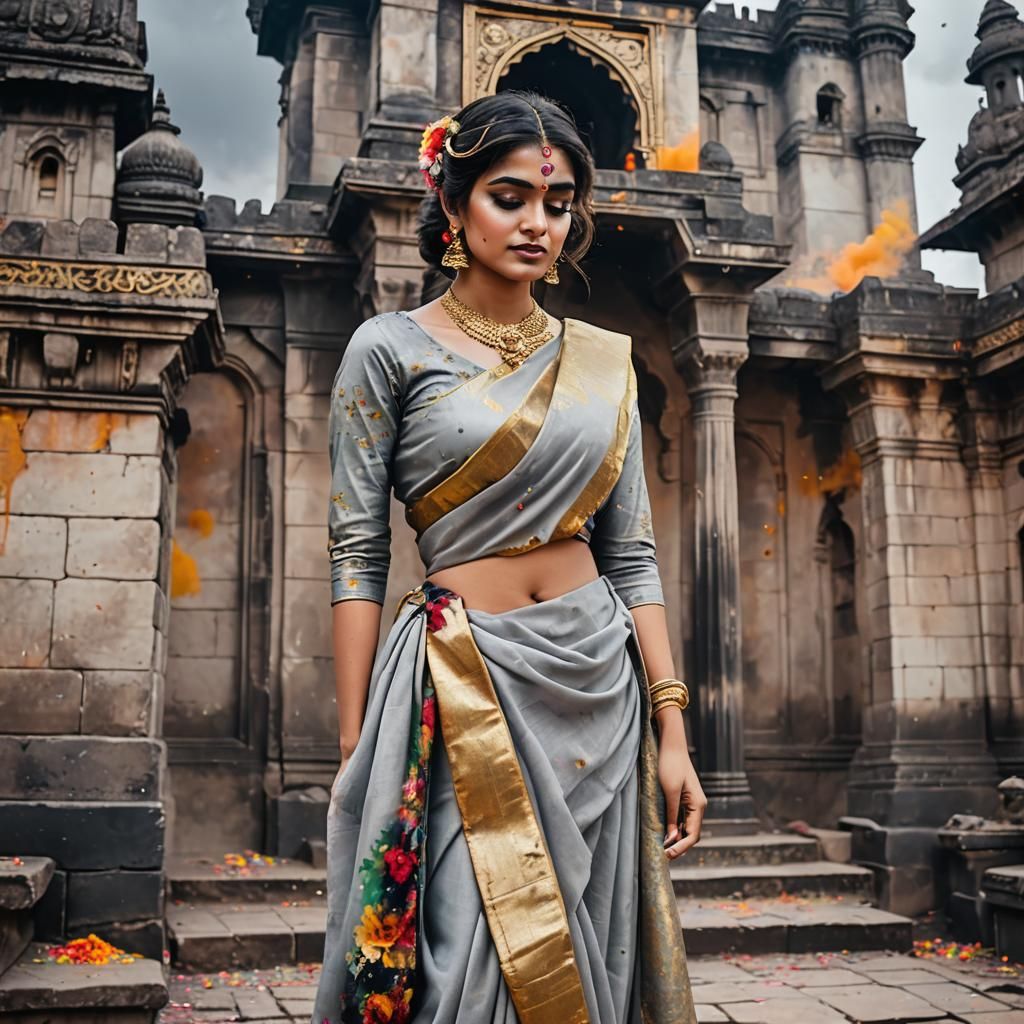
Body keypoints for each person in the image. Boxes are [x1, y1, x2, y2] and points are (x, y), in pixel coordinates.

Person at [313, 89, 705, 1024]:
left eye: (557, 204)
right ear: (453, 204)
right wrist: (356, 741)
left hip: (598, 686)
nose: (537, 223)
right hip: (461, 682)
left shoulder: (602, 362)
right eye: (509, 197)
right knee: (467, 960)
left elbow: (633, 556)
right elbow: (357, 548)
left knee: (590, 950)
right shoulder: (388, 350)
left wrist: (674, 730)